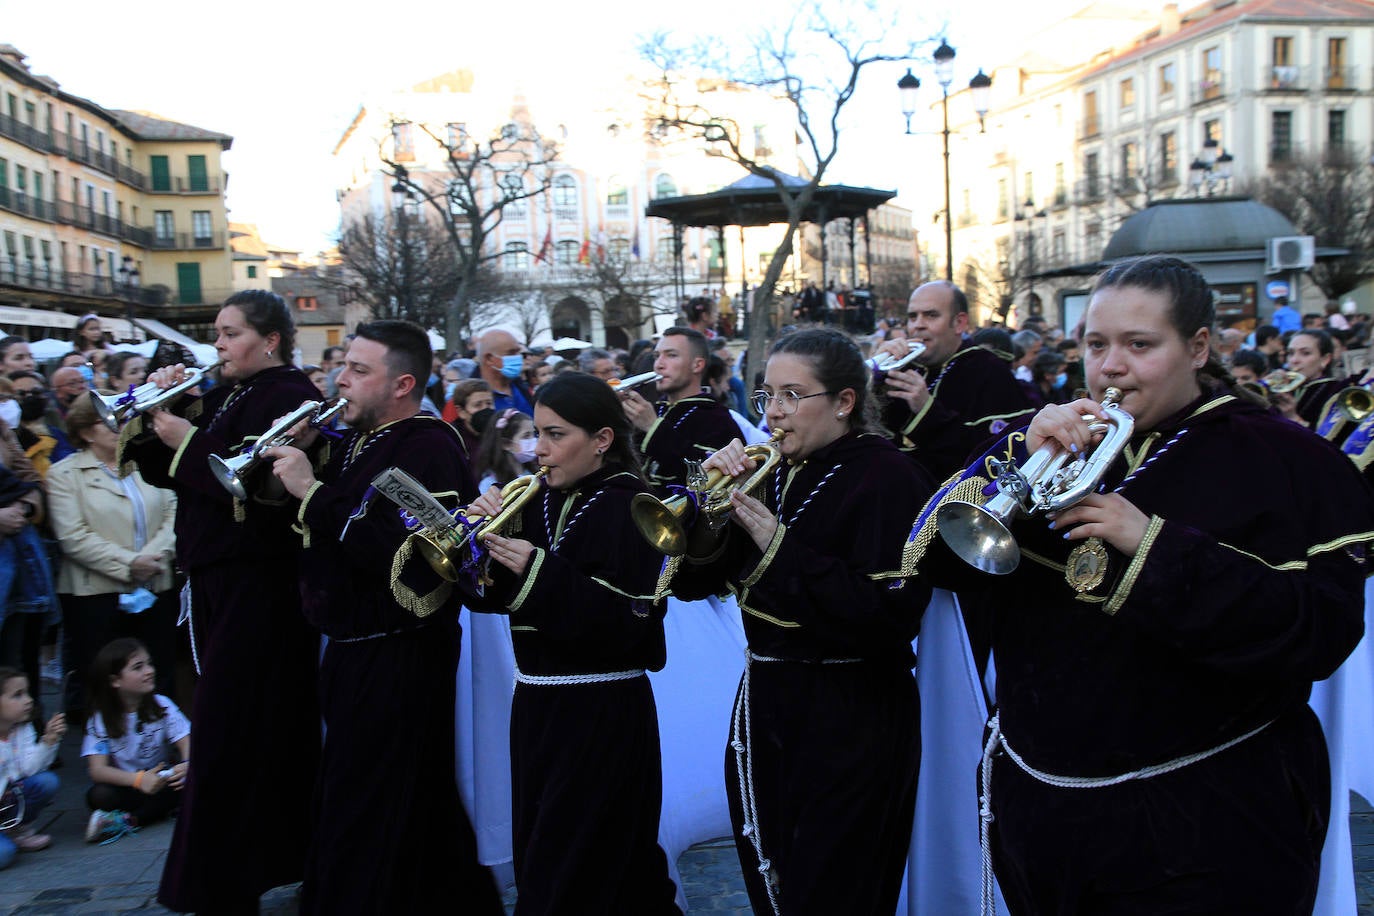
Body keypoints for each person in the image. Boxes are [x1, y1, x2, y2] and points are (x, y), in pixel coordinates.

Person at [909, 255, 1372, 914]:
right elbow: (925, 555)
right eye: (1096, 345)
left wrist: (1151, 543)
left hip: (1211, 824)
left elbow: (1318, 632)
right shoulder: (1046, 439)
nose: (1111, 368)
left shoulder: (1286, 457)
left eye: (1139, 345)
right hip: (1042, 817)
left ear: (1199, 347)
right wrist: (1010, 458)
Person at [670, 328, 934, 914]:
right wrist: (710, 515)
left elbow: (888, 613)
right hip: (767, 700)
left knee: (836, 884)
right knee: (771, 871)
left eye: (793, 395)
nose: (775, 414)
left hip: (850, 712)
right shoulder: (778, 471)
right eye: (766, 397)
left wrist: (773, 541)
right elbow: (697, 584)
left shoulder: (888, 475)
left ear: (843, 402)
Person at [262, 319, 500, 915]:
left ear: (403, 384)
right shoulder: (355, 439)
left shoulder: (429, 444)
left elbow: (403, 549)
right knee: (389, 796)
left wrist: (311, 492)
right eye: (343, 366)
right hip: (351, 646)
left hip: (400, 649)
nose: (341, 380)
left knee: (377, 795)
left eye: (359, 371)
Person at [121, 290, 320, 914]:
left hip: (257, 585)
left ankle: (217, 880)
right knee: (251, 727)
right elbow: (169, 472)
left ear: (270, 340)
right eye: (218, 333)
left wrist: (188, 437)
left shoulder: (288, 395)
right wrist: (165, 410)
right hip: (216, 581)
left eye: (230, 333)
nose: (219, 345)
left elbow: (252, 487)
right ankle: (272, 860)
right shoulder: (235, 393)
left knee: (231, 729)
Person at [458, 372, 678, 915]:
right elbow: (495, 602)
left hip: (603, 712)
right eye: (538, 434)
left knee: (584, 871)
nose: (541, 451)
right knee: (549, 856)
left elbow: (632, 624)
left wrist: (538, 571)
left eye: (557, 435)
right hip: (536, 707)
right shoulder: (535, 500)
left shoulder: (634, 506)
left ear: (602, 439)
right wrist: (475, 545)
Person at [49, 396, 178, 717]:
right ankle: (106, 753)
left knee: (157, 671)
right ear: (86, 431)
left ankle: (163, 744)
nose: (122, 427)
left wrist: (152, 558)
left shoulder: (148, 464)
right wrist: (130, 563)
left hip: (156, 584)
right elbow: (73, 536)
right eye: (111, 421)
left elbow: (175, 513)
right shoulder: (64, 475)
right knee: (103, 676)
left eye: (125, 420)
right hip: (95, 595)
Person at [877, 280, 1036, 482]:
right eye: (912, 317)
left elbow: (997, 455)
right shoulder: (901, 366)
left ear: (959, 323)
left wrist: (928, 411)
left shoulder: (987, 369)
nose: (918, 324)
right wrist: (876, 378)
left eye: (931, 315)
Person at [81, 638, 189, 843]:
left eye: (149, 664)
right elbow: (98, 770)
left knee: (187, 784)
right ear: (115, 681)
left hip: (163, 779)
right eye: (138, 667)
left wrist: (187, 765)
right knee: (98, 795)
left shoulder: (162, 704)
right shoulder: (100, 718)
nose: (149, 671)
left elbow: (186, 741)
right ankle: (150, 812)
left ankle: (127, 820)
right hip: (129, 784)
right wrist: (139, 780)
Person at [620, 327, 741, 492]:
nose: (658, 365)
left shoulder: (716, 418)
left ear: (697, 365)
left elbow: (708, 478)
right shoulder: (656, 409)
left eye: (671, 355)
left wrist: (652, 427)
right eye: (656, 356)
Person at [0, 667, 64, 865]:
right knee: (5, 855)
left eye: (26, 693)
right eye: (17, 695)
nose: (28, 700)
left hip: (7, 801)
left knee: (47, 781)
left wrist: (49, 740)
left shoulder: (22, 728)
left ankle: (15, 829)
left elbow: (29, 769)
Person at [1277, 328, 1342, 428]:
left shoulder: (1335, 391)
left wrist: (1293, 417)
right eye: (1290, 353)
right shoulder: (1285, 386)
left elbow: (1326, 440)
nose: (1294, 360)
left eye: (1305, 353)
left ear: (1325, 359)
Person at [473, 408, 538, 493]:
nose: (533, 440)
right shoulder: (491, 485)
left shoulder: (534, 474)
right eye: (526, 436)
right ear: (506, 444)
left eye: (534, 434)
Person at [476, 329, 533, 416]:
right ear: (489, 359)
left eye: (518, 352)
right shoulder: (465, 399)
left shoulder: (525, 389)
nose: (519, 357)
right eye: (511, 353)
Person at [443, 378, 494, 457]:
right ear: (461, 412)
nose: (485, 409)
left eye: (489, 403)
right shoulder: (450, 441)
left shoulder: (499, 433)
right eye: (478, 405)